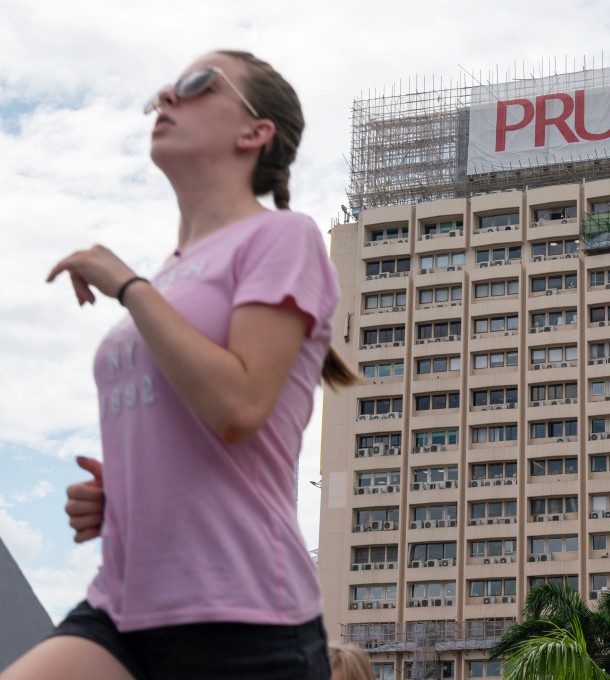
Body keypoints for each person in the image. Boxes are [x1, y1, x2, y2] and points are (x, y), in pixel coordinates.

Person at [2, 50, 355, 680]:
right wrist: (129, 492)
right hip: (124, 602)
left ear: (255, 133)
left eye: (197, 86)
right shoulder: (172, 273)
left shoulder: (284, 237)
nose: (167, 96)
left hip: (243, 615)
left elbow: (238, 406)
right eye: (166, 88)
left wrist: (129, 286)